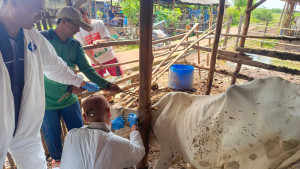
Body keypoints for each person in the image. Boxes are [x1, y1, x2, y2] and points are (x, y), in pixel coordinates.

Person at [0, 0, 93, 168]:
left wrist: (80, 82)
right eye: (36, 9)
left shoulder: (33, 38)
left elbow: (55, 66)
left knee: (35, 164)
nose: (40, 15)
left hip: (26, 128)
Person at [39, 6, 123, 167]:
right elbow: (43, 70)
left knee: (78, 135)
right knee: (53, 140)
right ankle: (59, 163)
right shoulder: (44, 39)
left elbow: (87, 69)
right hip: (46, 100)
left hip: (69, 100)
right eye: (76, 25)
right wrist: (69, 87)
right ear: (64, 21)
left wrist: (106, 84)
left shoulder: (75, 44)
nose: (78, 30)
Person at [60, 94, 145, 169]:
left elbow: (95, 140)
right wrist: (134, 128)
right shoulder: (117, 143)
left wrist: (110, 126)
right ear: (109, 112)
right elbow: (139, 153)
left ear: (85, 117)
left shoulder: (71, 134)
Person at [75, 7, 123, 78]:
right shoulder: (78, 30)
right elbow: (85, 48)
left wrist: (99, 41)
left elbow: (107, 39)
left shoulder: (98, 23)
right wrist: (94, 61)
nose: (78, 19)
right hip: (95, 61)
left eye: (79, 15)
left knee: (118, 78)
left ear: (85, 13)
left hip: (109, 57)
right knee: (101, 83)